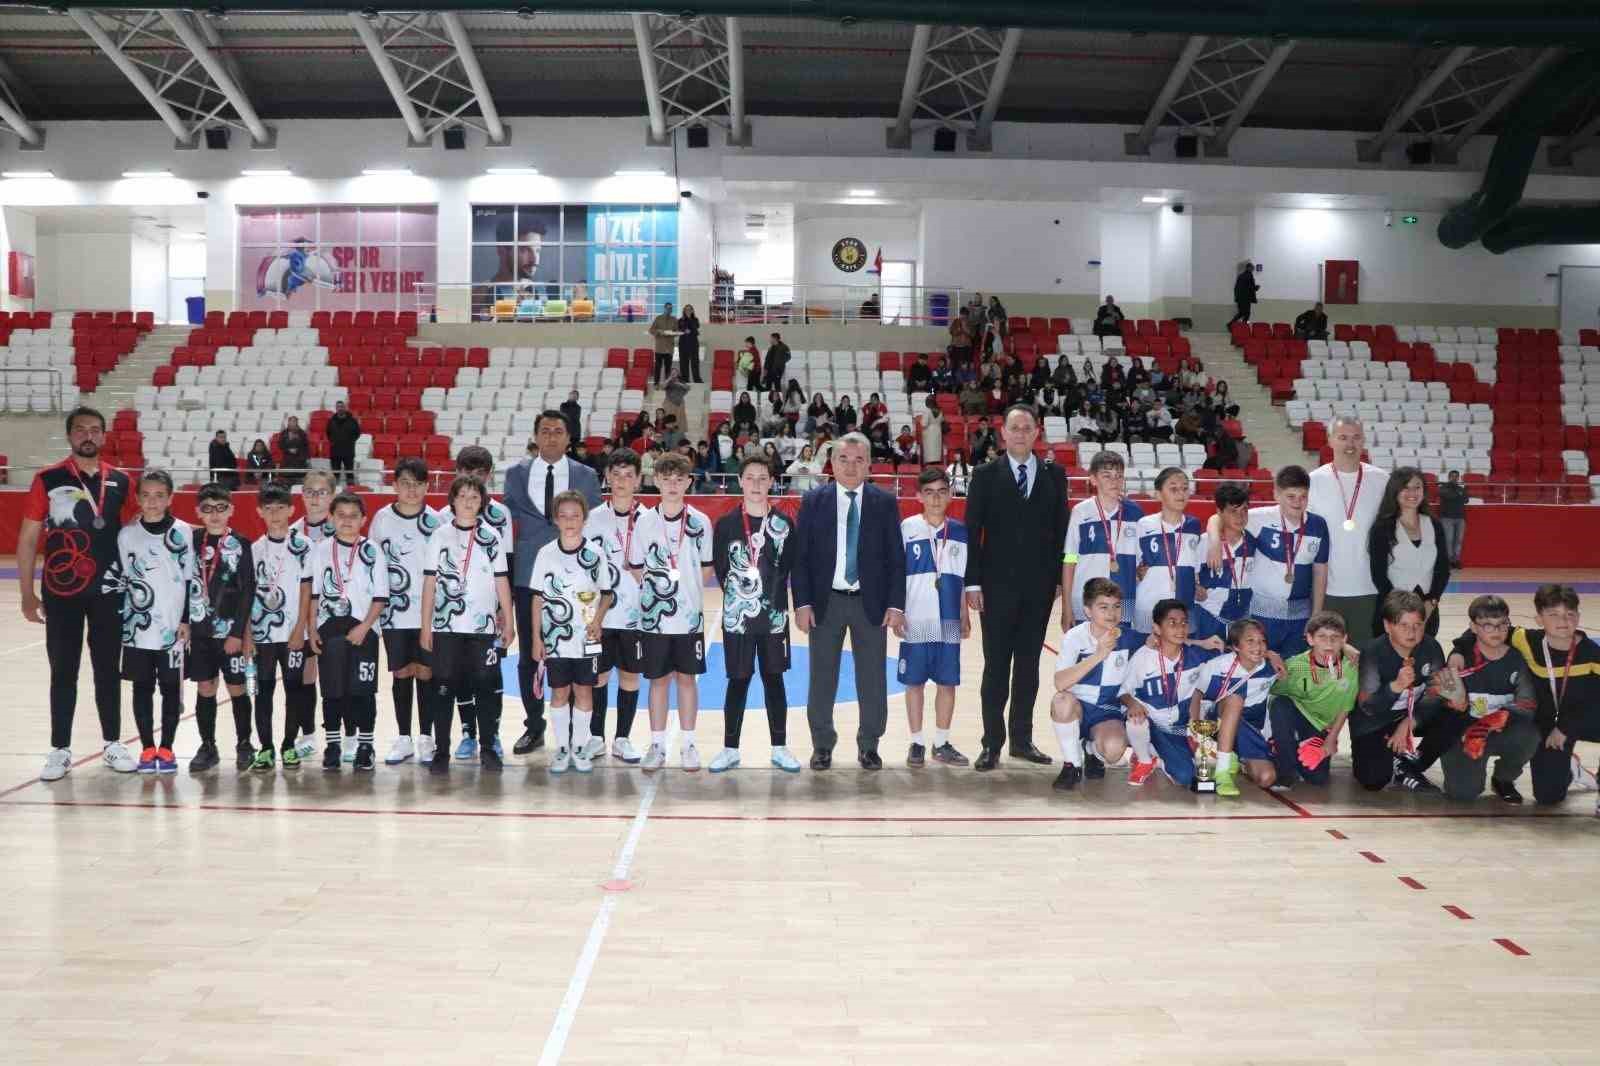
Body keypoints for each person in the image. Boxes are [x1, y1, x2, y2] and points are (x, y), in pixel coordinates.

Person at [21, 406, 138, 781]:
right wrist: (27, 593)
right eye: (81, 430)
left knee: (108, 669)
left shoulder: (121, 481)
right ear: (70, 435)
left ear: (104, 436)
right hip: (61, 592)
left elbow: (137, 535)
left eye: (95, 430)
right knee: (63, 670)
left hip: (109, 591)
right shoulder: (48, 478)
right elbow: (28, 538)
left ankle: (112, 743)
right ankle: (59, 749)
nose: (88, 435)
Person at [960, 405, 1069, 770]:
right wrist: (972, 582)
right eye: (1014, 428)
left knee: (1028, 665)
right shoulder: (985, 475)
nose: (1021, 433)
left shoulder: (1055, 475)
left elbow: (1062, 531)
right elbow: (972, 531)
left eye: (1027, 428)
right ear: (1003, 433)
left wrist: (1059, 578)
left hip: (1039, 589)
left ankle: (1021, 740)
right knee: (995, 667)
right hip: (995, 589)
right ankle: (991, 743)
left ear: (1037, 432)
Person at [792, 432, 907, 771]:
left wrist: (895, 605)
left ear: (869, 464)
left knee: (872, 679)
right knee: (822, 677)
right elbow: (801, 557)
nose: (851, 466)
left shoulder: (884, 502)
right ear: (832, 463)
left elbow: (896, 558)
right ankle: (822, 745)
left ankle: (869, 745)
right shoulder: (814, 500)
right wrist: (802, 603)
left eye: (859, 460)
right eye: (844, 459)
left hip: (870, 604)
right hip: (825, 602)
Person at [504, 410, 604, 756]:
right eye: (545, 430)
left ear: (568, 437)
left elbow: (595, 524)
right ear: (535, 436)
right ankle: (534, 726)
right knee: (530, 655)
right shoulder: (515, 475)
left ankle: (578, 730)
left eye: (558, 431)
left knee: (577, 653)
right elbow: (506, 525)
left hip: (578, 581)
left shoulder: (586, 475)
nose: (551, 436)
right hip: (529, 575)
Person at [708, 455, 799, 773]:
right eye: (750, 477)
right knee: (738, 681)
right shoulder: (727, 524)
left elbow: (790, 567)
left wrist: (770, 597)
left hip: (774, 617)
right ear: (740, 481)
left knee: (774, 679)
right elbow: (721, 569)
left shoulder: (784, 524)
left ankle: (780, 747)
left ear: (772, 482)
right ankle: (729, 749)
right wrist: (741, 598)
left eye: (763, 478)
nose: (757, 484)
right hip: (738, 617)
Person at [102, 470, 197, 774]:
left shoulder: (183, 532)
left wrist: (185, 620)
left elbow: (190, 579)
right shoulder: (127, 535)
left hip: (173, 628)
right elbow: (121, 580)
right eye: (146, 495)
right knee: (141, 687)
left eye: (159, 495)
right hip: (137, 627)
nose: (152, 501)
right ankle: (146, 748)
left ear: (170, 498)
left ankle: (166, 748)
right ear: (137, 498)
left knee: (170, 688)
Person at [422, 476, 517, 775]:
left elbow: (501, 580)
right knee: (443, 688)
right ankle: (441, 751)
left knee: (485, 687)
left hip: (483, 629)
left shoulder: (491, 536)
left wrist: (509, 621)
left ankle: (488, 748)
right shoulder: (439, 535)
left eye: (474, 497)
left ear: (482, 502)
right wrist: (425, 626)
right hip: (446, 626)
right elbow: (429, 583)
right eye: (462, 496)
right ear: (452, 500)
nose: (467, 501)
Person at [627, 454, 714, 771]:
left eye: (679, 479)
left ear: (689, 482)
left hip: (689, 620)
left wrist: (686, 595)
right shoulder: (644, 521)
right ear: (657, 482)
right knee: (658, 681)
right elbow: (636, 567)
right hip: (656, 620)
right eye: (666, 479)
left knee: (687, 679)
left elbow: (707, 568)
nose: (673, 485)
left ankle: (688, 745)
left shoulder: (700, 522)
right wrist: (657, 593)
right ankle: (657, 745)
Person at [529, 490, 615, 774]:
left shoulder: (595, 554)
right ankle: (562, 748)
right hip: (556, 639)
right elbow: (537, 598)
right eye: (563, 516)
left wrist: (597, 621)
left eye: (575, 516)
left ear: (584, 519)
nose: (569, 521)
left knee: (584, 690)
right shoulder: (546, 554)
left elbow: (606, 594)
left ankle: (579, 747)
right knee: (559, 692)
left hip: (587, 639)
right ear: (555, 519)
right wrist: (537, 637)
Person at [1206, 465, 1329, 658]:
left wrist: (1316, 616)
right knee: (1261, 666)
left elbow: (1320, 571)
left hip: (1300, 616)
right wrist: (1214, 543)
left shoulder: (1318, 525)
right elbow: (1218, 517)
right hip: (1262, 615)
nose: (1297, 502)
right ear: (1276, 495)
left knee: (1293, 669)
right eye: (1290, 496)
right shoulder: (1259, 518)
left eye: (1303, 496)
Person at [304, 492, 388, 772]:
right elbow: (314, 593)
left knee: (363, 691)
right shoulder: (321, 550)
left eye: (354, 516)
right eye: (341, 515)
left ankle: (365, 745)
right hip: (329, 629)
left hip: (364, 629)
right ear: (330, 518)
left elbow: (381, 596)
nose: (347, 521)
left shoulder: (372, 550)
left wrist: (365, 626)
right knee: (332, 691)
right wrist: (312, 627)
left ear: (364, 519)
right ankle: (333, 745)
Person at [369, 457, 442, 766]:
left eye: (418, 484)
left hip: (429, 613)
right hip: (394, 612)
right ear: (394, 485)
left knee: (425, 672)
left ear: (427, 486)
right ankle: (403, 737)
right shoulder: (382, 519)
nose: (412, 490)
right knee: (401, 672)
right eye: (405, 484)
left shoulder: (437, 521)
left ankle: (426, 736)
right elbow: (372, 565)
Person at [898, 468, 971, 767]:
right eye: (929, 492)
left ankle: (941, 743)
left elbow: (961, 576)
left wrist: (965, 612)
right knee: (914, 683)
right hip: (915, 617)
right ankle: (916, 742)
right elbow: (896, 574)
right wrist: (898, 611)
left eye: (942, 491)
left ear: (951, 495)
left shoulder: (960, 531)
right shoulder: (907, 528)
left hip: (949, 618)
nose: (936, 498)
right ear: (918, 496)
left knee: (947, 683)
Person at [1437, 595, 1540, 803]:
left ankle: (1503, 778)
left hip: (1500, 731)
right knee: (1463, 794)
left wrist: (1488, 723)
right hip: (1466, 734)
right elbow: (1444, 705)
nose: (1497, 631)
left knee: (1530, 735)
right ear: (1473, 627)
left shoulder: (1518, 659)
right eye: (1487, 626)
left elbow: (1527, 704)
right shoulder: (1458, 660)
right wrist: (1454, 704)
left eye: (1502, 624)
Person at [1351, 590, 1456, 792]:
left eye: (1418, 625)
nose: (1412, 632)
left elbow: (1435, 695)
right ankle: (1393, 761)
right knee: (1373, 780)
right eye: (1404, 625)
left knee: (1454, 713)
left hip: (1411, 716)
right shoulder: (1372, 653)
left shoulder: (1431, 647)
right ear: (1387, 626)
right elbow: (1368, 707)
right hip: (1375, 721)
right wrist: (1395, 687)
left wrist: (1408, 723)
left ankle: (1411, 763)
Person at [186, 481, 257, 773]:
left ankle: (244, 743)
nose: (214, 514)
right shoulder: (190, 541)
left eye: (220, 508)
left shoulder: (241, 544)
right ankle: (207, 746)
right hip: (199, 631)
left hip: (229, 633)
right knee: (205, 687)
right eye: (207, 509)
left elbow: (248, 591)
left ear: (231, 510)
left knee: (236, 687)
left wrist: (237, 633)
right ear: (198, 512)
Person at [447, 446, 513, 763]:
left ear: (489, 476)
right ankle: (467, 733)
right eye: (467, 471)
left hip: (489, 612)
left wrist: (503, 610)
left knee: (490, 674)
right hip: (454, 614)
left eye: (480, 472)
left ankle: (492, 732)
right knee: (460, 674)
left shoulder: (501, 515)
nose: (473, 477)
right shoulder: (444, 517)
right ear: (456, 472)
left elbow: (508, 565)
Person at [581, 451, 647, 764]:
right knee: (598, 676)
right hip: (600, 616)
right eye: (616, 474)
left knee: (630, 676)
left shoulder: (649, 519)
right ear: (607, 477)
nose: (622, 481)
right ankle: (596, 737)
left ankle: (623, 739)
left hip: (635, 616)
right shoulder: (591, 518)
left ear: (638, 479)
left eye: (628, 475)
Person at [1048, 577, 1144, 790]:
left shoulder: (1128, 637)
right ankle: (1072, 764)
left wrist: (1202, 643)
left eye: (1116, 606)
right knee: (1061, 701)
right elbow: (1060, 683)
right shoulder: (1075, 637)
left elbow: (1161, 640)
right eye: (1103, 607)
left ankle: (1090, 749)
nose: (1111, 613)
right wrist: (1099, 654)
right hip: (1078, 708)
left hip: (1106, 711)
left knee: (1114, 751)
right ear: (1088, 611)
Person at [246, 481, 315, 771]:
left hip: (293, 633)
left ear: (291, 510)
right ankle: (265, 747)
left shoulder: (304, 546)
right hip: (262, 634)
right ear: (259, 512)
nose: (275, 514)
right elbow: (247, 595)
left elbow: (307, 590)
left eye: (280, 508)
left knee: (294, 690)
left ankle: (288, 745)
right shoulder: (254, 549)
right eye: (269, 508)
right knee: (263, 692)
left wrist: (301, 628)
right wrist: (247, 634)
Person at [1512, 584, 1600, 809]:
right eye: (1553, 614)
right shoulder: (1525, 640)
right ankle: (1570, 767)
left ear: (1578, 617)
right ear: (1539, 619)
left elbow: (1595, 703)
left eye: (1570, 614)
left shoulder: (1593, 654)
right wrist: (1459, 652)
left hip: (1580, 720)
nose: (1564, 621)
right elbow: (1483, 631)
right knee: (1548, 797)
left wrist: (1565, 728)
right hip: (1546, 725)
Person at [1119, 600, 1217, 787]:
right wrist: (1132, 703)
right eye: (1172, 623)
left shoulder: (1197, 657)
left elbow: (1232, 658)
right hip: (1152, 724)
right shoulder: (1143, 657)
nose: (1180, 628)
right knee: (1136, 719)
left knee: (1190, 778)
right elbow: (1123, 691)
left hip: (1179, 729)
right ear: (1157, 628)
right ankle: (1144, 759)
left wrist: (1268, 654)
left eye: (1184, 623)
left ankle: (1158, 759)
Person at [1310, 416, 1389, 642]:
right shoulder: (1313, 481)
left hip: (1370, 588)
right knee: (1329, 657)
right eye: (1343, 437)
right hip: (1327, 590)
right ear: (1330, 440)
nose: (1350, 444)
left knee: (1366, 656)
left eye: (1356, 437)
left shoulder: (1382, 480)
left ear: (1363, 440)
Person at [1266, 611, 1358, 791]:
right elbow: (1273, 694)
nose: (1329, 643)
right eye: (1322, 637)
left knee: (1317, 778)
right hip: (1298, 714)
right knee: (1280, 704)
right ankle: (1285, 770)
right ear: (1310, 639)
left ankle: (1294, 748)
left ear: (1344, 640)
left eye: (1335, 637)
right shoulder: (1296, 665)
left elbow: (1346, 707)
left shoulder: (1351, 667)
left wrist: (1331, 739)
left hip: (1320, 726)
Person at [1191, 618, 1279, 796]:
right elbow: (1196, 694)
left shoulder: (1272, 669)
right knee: (1235, 699)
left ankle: (1236, 758)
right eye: (1250, 641)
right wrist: (1194, 724)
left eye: (1262, 641)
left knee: (1266, 778)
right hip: (1219, 721)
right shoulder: (1217, 665)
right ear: (1236, 646)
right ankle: (1222, 772)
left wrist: (1273, 656)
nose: (1258, 646)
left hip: (1249, 729)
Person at [1061, 450, 1142, 629]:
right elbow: (1070, 559)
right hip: (1086, 598)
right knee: (1087, 646)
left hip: (1123, 598)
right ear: (1093, 479)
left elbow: (1142, 561)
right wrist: (1066, 607)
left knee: (1120, 646)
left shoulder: (1135, 512)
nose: (1114, 481)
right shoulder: (1080, 512)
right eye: (1107, 476)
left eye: (1119, 476)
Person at [287, 469, 337, 758]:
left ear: (332, 495)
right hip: (302, 617)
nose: (315, 498)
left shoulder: (344, 528)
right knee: (305, 675)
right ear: (302, 495)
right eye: (310, 492)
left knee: (336, 677)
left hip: (335, 616)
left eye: (322, 492)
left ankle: (342, 737)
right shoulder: (292, 533)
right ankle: (307, 734)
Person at [1367, 466, 1450, 637]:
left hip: (1427, 611)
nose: (1412, 493)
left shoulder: (1434, 524)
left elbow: (1443, 569)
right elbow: (1378, 574)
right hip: (1392, 611)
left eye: (1417, 487)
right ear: (1395, 491)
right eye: (1405, 487)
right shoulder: (1382, 527)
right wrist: (1400, 610)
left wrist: (1431, 603)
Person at [1131, 468, 1205, 643]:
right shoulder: (1144, 524)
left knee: (1181, 654)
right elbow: (1133, 564)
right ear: (1158, 494)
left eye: (1185, 488)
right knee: (1146, 653)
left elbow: (1194, 564)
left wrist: (1196, 585)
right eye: (1173, 489)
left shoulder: (1194, 525)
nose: (1181, 493)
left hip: (1183, 606)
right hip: (1149, 604)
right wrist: (1138, 573)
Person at [1192, 482, 1256, 644]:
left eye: (1244, 510)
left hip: (1240, 620)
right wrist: (1194, 587)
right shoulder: (1205, 542)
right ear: (1219, 512)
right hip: (1208, 616)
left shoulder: (1254, 541)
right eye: (1233, 511)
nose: (1240, 517)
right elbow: (1185, 574)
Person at [325, 401, 361, 486]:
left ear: (345, 408)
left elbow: (357, 433)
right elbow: (328, 433)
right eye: (338, 407)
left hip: (348, 451)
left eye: (341, 406)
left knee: (349, 473)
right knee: (335, 473)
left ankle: (351, 489)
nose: (340, 408)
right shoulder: (331, 421)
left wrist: (350, 442)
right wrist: (334, 442)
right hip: (335, 452)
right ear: (336, 408)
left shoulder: (352, 421)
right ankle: (334, 489)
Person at [1438, 469, 1467, 568]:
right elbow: (1449, 495)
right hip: (1447, 518)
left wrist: (1458, 494)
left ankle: (1456, 560)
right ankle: (1449, 561)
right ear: (1449, 477)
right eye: (1452, 476)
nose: (1454, 478)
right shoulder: (1443, 487)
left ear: (1458, 478)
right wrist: (1458, 494)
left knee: (1458, 540)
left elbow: (1466, 499)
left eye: (1456, 476)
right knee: (1448, 540)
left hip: (1460, 518)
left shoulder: (1461, 488)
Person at [649, 300, 677, 387]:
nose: (669, 310)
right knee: (658, 367)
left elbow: (677, 331)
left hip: (669, 348)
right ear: (664, 309)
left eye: (671, 309)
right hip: (659, 348)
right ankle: (656, 384)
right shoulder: (658, 318)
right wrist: (658, 331)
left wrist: (672, 333)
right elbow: (651, 330)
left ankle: (667, 384)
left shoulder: (674, 319)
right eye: (668, 308)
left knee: (668, 368)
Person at [277, 415, 310, 480]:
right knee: (287, 477)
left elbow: (306, 446)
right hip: (287, 460)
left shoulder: (302, 433)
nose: (292, 423)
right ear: (288, 422)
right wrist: (288, 450)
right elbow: (280, 445)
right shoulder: (284, 433)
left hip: (299, 460)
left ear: (297, 423)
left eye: (294, 421)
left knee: (299, 477)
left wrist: (298, 450)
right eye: (291, 421)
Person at [677, 303, 702, 383]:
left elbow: (695, 327)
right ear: (684, 311)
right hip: (683, 344)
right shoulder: (680, 320)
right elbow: (679, 329)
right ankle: (685, 379)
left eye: (689, 309)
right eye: (686, 309)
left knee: (695, 362)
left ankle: (697, 379)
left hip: (693, 344)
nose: (688, 311)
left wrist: (689, 319)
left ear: (692, 311)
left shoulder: (695, 320)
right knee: (683, 362)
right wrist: (685, 330)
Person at [917, 396, 944, 468]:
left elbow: (924, 423)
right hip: (938, 431)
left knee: (930, 452)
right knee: (936, 452)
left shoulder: (927, 411)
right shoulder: (940, 410)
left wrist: (919, 420)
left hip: (929, 432)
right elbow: (942, 420)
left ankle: (929, 466)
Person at [1228, 262, 1258, 326]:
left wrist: (1237, 298)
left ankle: (1231, 324)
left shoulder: (1240, 276)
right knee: (1247, 314)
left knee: (1241, 313)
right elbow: (1250, 287)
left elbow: (1237, 287)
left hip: (1240, 298)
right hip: (1246, 298)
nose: (1252, 270)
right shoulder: (1249, 276)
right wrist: (1256, 288)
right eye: (1252, 268)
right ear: (1248, 268)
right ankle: (1243, 326)